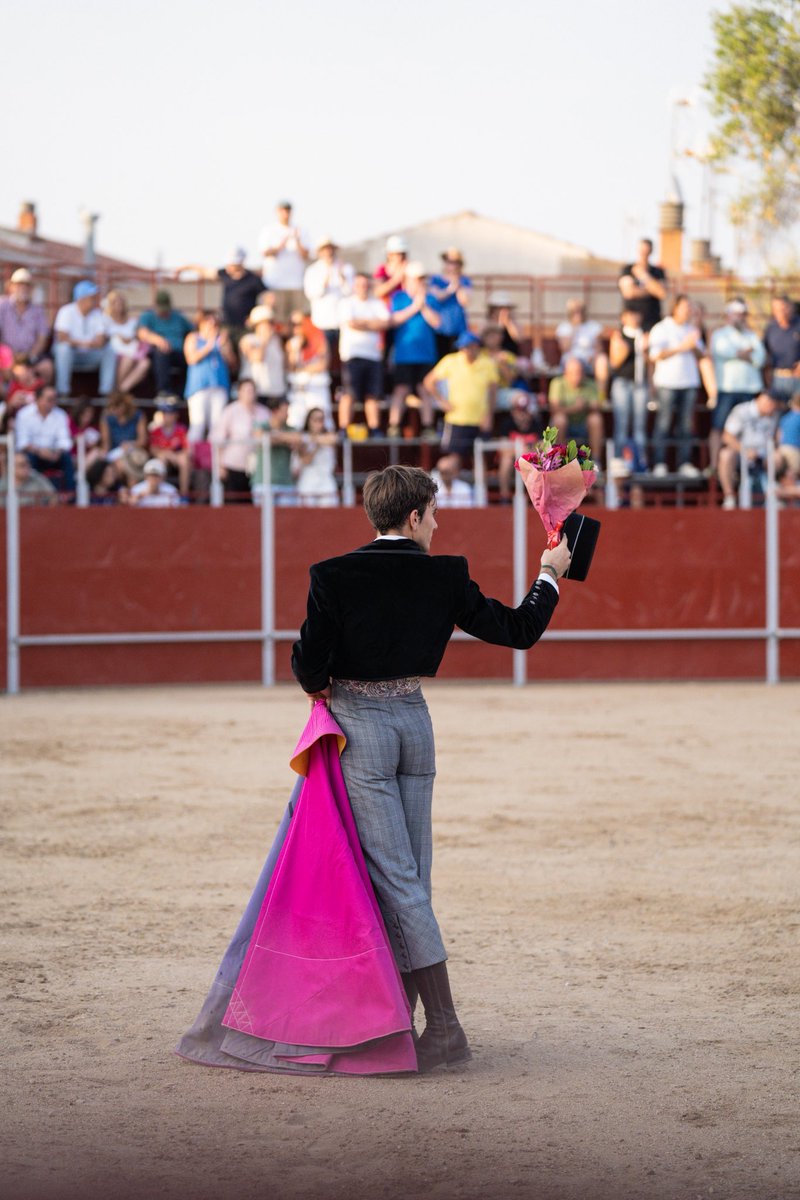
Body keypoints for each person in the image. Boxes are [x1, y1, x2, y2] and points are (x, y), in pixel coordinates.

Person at [291, 464, 571, 1071]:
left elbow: (308, 666)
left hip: (361, 728)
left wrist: (324, 689)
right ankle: (405, 1021)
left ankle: (441, 1027)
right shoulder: (446, 575)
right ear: (414, 516)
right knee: (414, 875)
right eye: (435, 515)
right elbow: (519, 630)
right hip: (415, 725)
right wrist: (550, 575)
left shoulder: (331, 575)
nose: (438, 526)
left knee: (397, 879)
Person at [648, 294, 703, 477]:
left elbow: (701, 354)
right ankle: (659, 463)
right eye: (685, 306)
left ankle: (684, 463)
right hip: (667, 383)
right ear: (675, 308)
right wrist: (683, 346)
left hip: (689, 382)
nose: (688, 311)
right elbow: (655, 354)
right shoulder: (662, 328)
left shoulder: (692, 329)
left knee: (686, 425)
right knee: (663, 423)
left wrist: (693, 346)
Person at [424, 331, 499, 465]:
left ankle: (479, 487)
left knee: (480, 460)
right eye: (463, 347)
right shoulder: (450, 361)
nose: (464, 351)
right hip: (456, 419)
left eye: (467, 347)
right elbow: (428, 381)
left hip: (480, 419)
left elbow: (493, 392)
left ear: (475, 346)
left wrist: (489, 414)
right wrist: (442, 402)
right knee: (453, 459)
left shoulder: (487, 363)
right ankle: (446, 485)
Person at [710, 299, 766, 470]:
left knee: (746, 430)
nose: (739, 318)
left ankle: (744, 464)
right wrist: (745, 353)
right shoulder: (720, 335)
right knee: (719, 428)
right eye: (736, 314)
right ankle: (714, 466)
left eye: (742, 314)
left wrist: (740, 354)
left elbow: (760, 359)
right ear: (729, 315)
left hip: (749, 389)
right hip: (727, 389)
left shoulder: (752, 336)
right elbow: (723, 351)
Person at [387, 263, 441, 438]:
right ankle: (394, 426)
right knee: (401, 390)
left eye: (421, 279)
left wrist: (423, 304)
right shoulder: (399, 298)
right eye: (416, 279)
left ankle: (428, 427)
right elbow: (394, 320)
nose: (419, 283)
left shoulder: (430, 299)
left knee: (425, 389)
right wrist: (414, 307)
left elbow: (437, 323)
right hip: (404, 356)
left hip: (426, 355)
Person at [337, 272, 390, 435]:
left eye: (366, 284)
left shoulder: (377, 303)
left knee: (372, 394)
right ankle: (344, 428)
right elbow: (351, 323)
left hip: (373, 356)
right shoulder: (346, 303)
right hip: (352, 355)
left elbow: (385, 323)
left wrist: (363, 323)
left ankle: (374, 428)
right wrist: (372, 323)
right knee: (349, 393)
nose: (363, 288)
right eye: (360, 284)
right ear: (354, 286)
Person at [175, 248, 265, 344]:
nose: (228, 266)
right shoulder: (224, 274)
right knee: (222, 344)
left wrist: (254, 317)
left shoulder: (253, 280)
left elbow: (267, 298)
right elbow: (205, 271)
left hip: (245, 327)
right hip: (227, 325)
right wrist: (185, 267)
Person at [718, 391, 782, 509]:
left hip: (764, 456)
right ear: (762, 400)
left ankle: (773, 495)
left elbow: (777, 438)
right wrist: (745, 451)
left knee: (778, 457)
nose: (772, 407)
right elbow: (727, 436)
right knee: (725, 455)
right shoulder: (741, 411)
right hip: (741, 454)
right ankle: (729, 497)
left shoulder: (775, 415)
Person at [211, 378, 270, 504]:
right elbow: (217, 439)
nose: (250, 393)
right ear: (239, 392)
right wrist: (219, 465)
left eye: (252, 390)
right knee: (234, 505)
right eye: (246, 390)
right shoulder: (230, 411)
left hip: (258, 468)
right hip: (233, 466)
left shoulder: (264, 412)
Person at [53, 281, 116, 398]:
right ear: (81, 298)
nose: (94, 299)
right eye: (91, 297)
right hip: (71, 354)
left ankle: (106, 393)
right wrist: (84, 343)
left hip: (89, 355)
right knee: (63, 349)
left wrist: (76, 342)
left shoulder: (98, 314)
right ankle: (63, 392)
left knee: (109, 351)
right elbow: (62, 337)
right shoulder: (66, 311)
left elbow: (101, 341)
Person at [608, 307, 648, 477]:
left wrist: (644, 348)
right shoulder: (618, 336)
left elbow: (649, 363)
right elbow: (615, 362)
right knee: (622, 425)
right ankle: (618, 460)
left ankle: (640, 462)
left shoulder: (644, 336)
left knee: (640, 427)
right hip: (622, 383)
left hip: (640, 384)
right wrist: (628, 347)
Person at [183, 311, 235, 443]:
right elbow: (191, 358)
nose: (212, 326)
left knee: (217, 427)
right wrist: (209, 345)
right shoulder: (193, 338)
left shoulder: (222, 341)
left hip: (219, 387)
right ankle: (192, 459)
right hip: (199, 387)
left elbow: (232, 363)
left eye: (215, 324)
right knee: (197, 425)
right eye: (208, 323)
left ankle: (215, 460)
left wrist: (225, 348)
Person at [14, 386, 75, 494]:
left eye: (55, 399)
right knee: (27, 459)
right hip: (34, 454)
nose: (53, 402)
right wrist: (39, 451)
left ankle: (69, 496)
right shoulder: (24, 414)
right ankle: (30, 495)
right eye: (49, 399)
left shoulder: (61, 415)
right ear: (38, 399)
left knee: (67, 459)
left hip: (54, 454)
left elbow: (65, 441)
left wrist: (56, 452)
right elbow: (22, 442)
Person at [258, 201, 311, 324]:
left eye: (288, 211)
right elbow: (266, 252)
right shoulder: (269, 230)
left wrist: (297, 240)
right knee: (278, 320)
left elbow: (306, 255)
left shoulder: (300, 230)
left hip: (296, 284)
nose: (285, 214)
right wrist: (282, 242)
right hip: (275, 283)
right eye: (282, 211)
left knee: (297, 320)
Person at [303, 236, 354, 363]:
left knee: (343, 359)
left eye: (330, 249)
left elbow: (351, 293)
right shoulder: (313, 271)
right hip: (322, 322)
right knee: (324, 358)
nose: (328, 252)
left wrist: (342, 277)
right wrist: (324, 282)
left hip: (342, 322)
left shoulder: (346, 268)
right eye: (325, 249)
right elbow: (311, 293)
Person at [547, 357, 604, 464]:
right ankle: (558, 459)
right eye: (572, 372)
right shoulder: (557, 383)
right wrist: (575, 408)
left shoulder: (591, 384)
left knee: (596, 419)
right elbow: (554, 409)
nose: (576, 376)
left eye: (579, 372)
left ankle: (596, 461)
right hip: (564, 425)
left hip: (583, 425)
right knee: (560, 419)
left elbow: (597, 406)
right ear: (565, 372)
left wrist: (586, 405)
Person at [0, 268, 53, 383]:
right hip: (7, 354)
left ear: (31, 289)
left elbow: (42, 338)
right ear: (11, 287)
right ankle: (9, 398)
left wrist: (30, 356)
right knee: (8, 368)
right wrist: (10, 355)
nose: (23, 288)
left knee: (47, 368)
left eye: (26, 285)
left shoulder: (38, 310)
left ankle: (40, 398)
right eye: (19, 285)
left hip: (31, 355)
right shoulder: (2, 305)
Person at [137, 290, 193, 395]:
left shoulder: (179, 317)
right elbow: (142, 333)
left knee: (191, 357)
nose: (164, 312)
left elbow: (193, 331)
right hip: (160, 354)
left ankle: (183, 390)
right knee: (161, 354)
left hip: (180, 353)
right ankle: (164, 390)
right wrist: (158, 340)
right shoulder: (147, 316)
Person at [285, 312, 332, 430]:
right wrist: (296, 350)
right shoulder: (292, 344)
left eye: (299, 324)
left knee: (322, 423)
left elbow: (322, 365)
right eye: (293, 325)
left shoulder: (319, 340)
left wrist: (302, 369)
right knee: (296, 423)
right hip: (298, 391)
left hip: (316, 389)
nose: (296, 328)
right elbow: (291, 368)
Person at [556, 298, 609, 395]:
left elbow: (599, 349)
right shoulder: (564, 327)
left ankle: (601, 397)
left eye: (580, 310)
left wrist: (593, 357)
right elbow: (564, 348)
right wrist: (575, 328)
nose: (578, 314)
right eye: (574, 311)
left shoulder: (594, 326)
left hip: (589, 360)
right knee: (574, 364)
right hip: (571, 360)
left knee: (602, 360)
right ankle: (573, 398)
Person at [497, 393, 542, 503]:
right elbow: (502, 449)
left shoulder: (536, 424)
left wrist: (527, 453)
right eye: (519, 411)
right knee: (506, 461)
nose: (522, 414)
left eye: (525, 411)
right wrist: (520, 451)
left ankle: (537, 498)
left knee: (540, 463)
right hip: (512, 461)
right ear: (513, 412)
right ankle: (505, 497)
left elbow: (543, 448)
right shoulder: (507, 425)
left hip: (530, 461)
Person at [291, 407, 340, 507]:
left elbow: (333, 439)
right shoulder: (302, 437)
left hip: (326, 482)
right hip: (308, 482)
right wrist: (317, 446)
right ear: (308, 421)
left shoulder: (327, 435)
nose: (318, 423)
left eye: (321, 419)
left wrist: (314, 439)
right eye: (315, 419)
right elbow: (306, 460)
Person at [103, 291, 150, 393]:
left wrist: (129, 339)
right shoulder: (105, 321)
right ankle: (118, 392)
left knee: (145, 363)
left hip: (132, 352)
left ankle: (120, 391)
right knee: (127, 360)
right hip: (115, 355)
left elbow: (137, 338)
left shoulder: (133, 322)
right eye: (116, 303)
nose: (119, 305)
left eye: (121, 303)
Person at [428, 247, 471, 358]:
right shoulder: (436, 279)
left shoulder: (465, 281)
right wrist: (451, 288)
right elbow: (437, 297)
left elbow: (464, 301)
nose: (452, 266)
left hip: (459, 329)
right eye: (449, 262)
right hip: (441, 328)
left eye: (455, 263)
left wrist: (458, 284)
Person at [618, 238, 668, 332]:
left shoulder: (658, 272)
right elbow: (629, 293)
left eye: (646, 251)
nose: (644, 254)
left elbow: (662, 293)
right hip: (631, 322)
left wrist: (644, 276)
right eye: (642, 250)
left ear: (651, 251)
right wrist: (652, 289)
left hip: (652, 321)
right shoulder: (628, 269)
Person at [238, 306, 287, 402]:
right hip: (257, 392)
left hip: (276, 392)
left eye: (271, 323)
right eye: (267, 323)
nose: (270, 326)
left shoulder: (276, 341)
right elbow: (257, 358)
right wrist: (264, 340)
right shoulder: (248, 339)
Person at [99, 391, 148, 484]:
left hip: (133, 453)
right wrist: (103, 455)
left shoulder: (138, 415)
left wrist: (131, 444)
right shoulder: (107, 417)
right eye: (113, 408)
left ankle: (130, 493)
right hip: (114, 454)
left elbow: (142, 440)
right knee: (115, 467)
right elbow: (106, 443)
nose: (115, 411)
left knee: (128, 467)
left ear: (124, 405)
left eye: (117, 407)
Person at [149, 394, 191, 497]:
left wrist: (176, 456)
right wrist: (167, 454)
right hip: (163, 457)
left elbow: (187, 449)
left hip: (177, 457)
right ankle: (161, 492)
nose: (168, 416)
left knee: (184, 460)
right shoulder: (156, 431)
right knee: (161, 459)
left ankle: (183, 495)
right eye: (166, 414)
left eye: (171, 413)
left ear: (176, 415)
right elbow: (153, 449)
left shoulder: (181, 430)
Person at [762, 295, 800, 402]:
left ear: (791, 307)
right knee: (778, 415)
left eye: (783, 309)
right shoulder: (771, 328)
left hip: (797, 379)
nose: (781, 313)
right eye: (777, 310)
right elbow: (764, 351)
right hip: (777, 380)